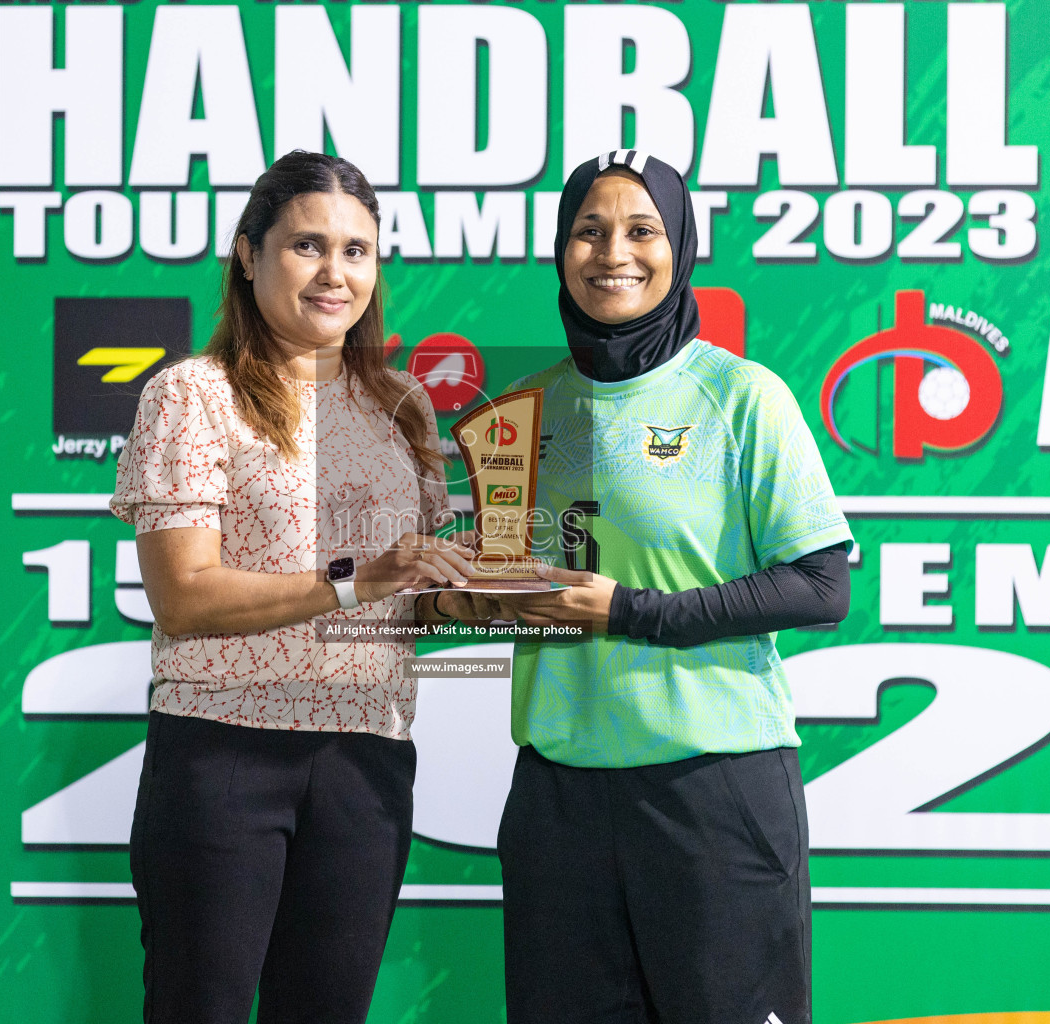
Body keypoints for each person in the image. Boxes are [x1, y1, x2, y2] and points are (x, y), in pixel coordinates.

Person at [439, 150, 852, 1024]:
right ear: (558, 248)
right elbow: (517, 586)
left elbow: (821, 586)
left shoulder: (742, 396)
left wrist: (631, 612)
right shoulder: (516, 411)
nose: (611, 253)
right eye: (588, 231)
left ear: (682, 247)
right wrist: (441, 583)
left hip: (713, 790)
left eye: (640, 230)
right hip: (558, 796)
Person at [111, 151, 474, 1024]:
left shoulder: (401, 404)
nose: (335, 273)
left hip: (368, 760)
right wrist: (354, 581)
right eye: (308, 245)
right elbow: (185, 597)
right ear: (248, 252)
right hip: (224, 755)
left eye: (357, 250)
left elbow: (405, 598)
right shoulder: (192, 396)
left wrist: (492, 592)